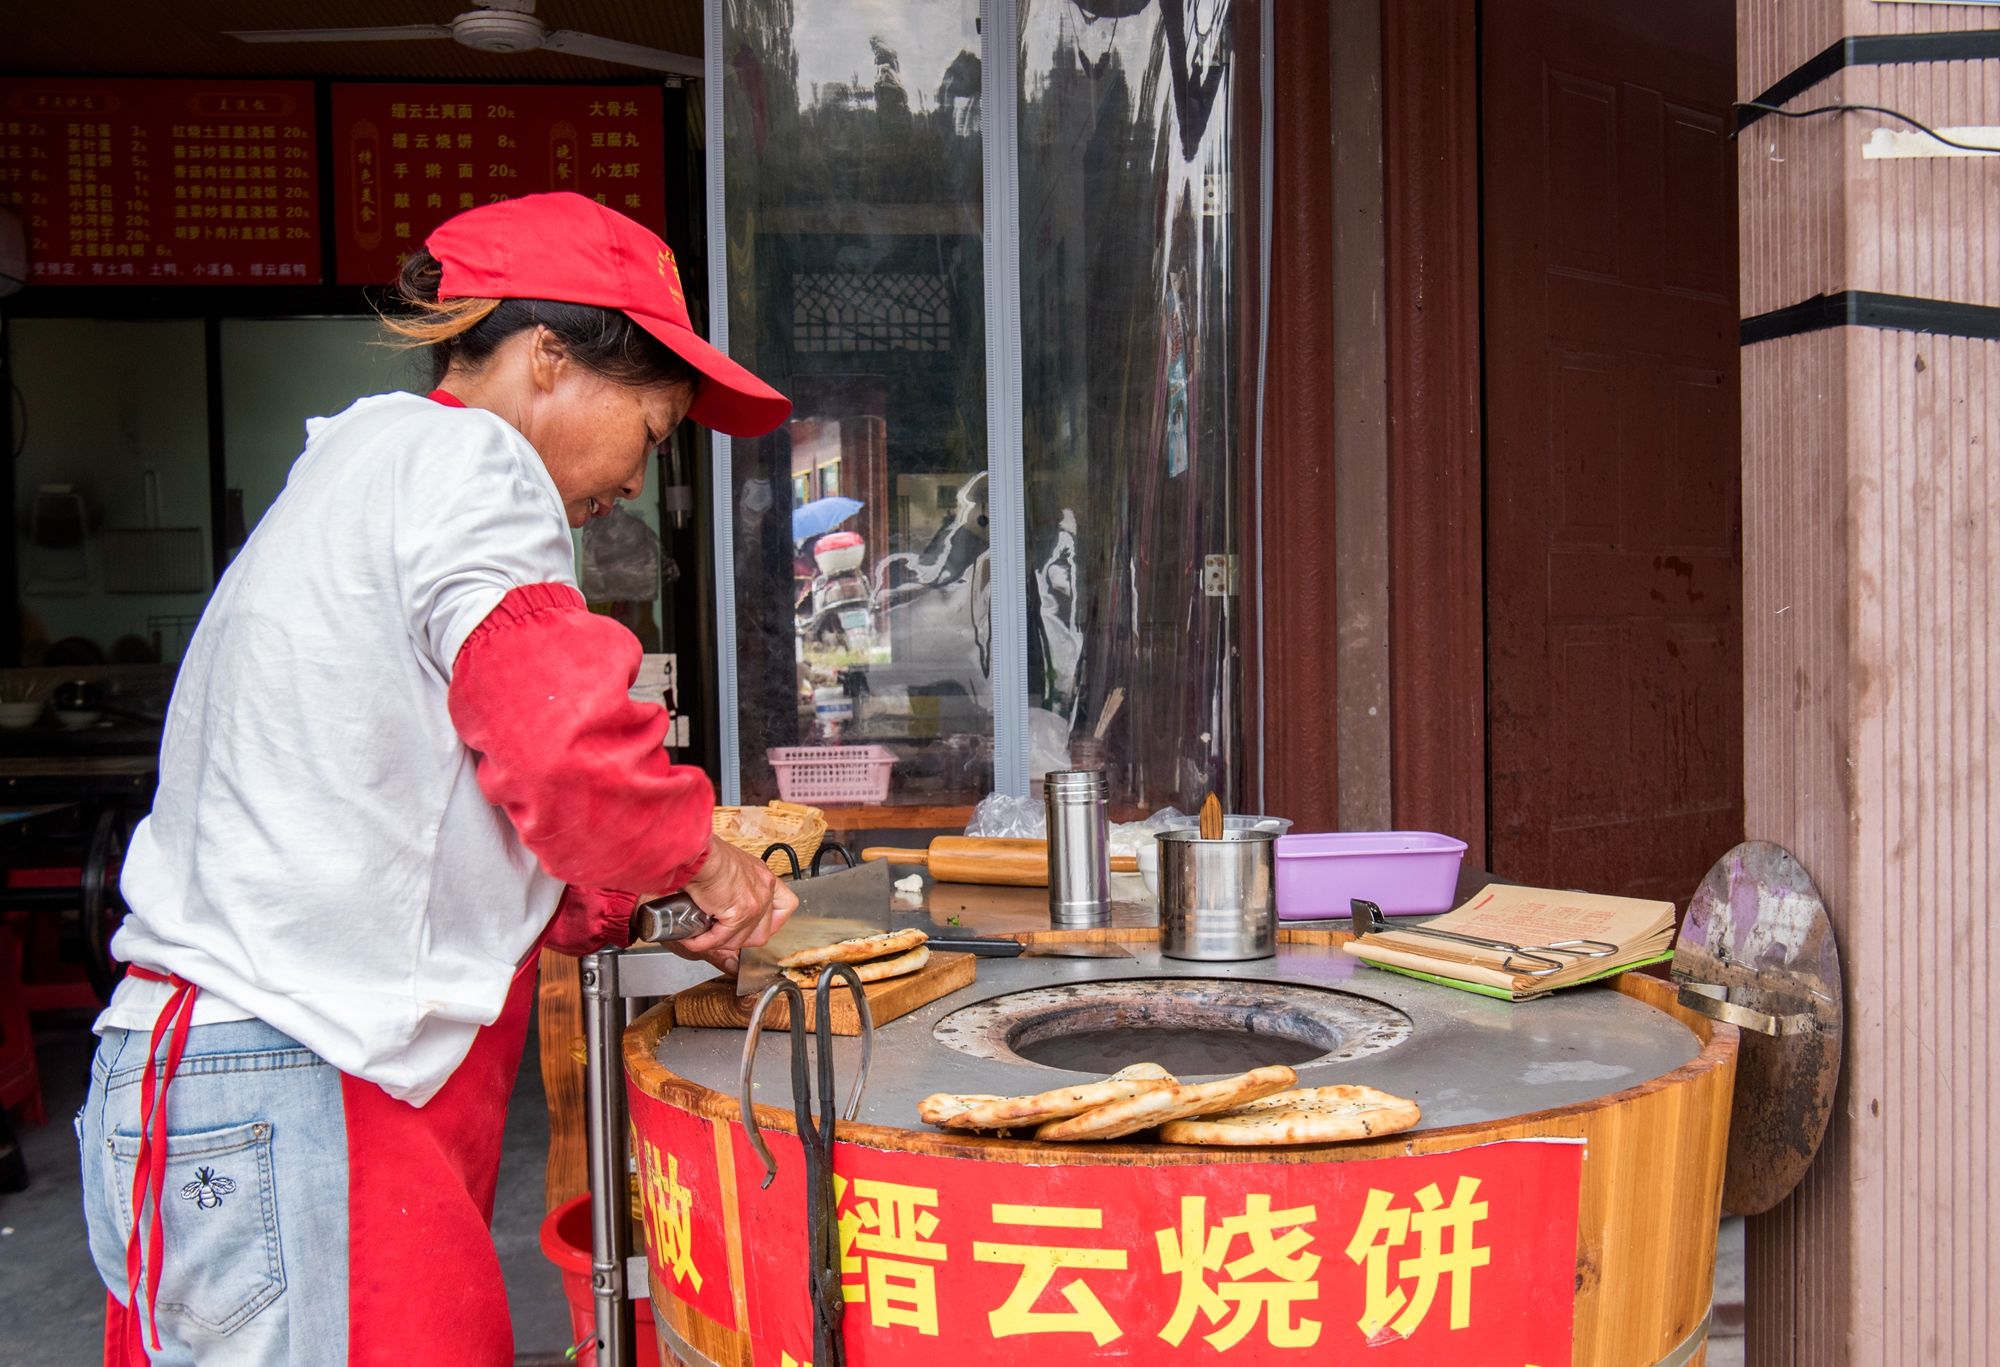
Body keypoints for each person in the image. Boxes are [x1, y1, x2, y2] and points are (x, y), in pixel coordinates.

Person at [75, 192, 798, 1367]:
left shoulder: (364, 465)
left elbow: (432, 809)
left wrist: (626, 897)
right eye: (653, 435)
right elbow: (560, 740)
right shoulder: (469, 460)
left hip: (230, 1085)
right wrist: (699, 851)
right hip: (294, 1078)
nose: (631, 481)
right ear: (548, 360)